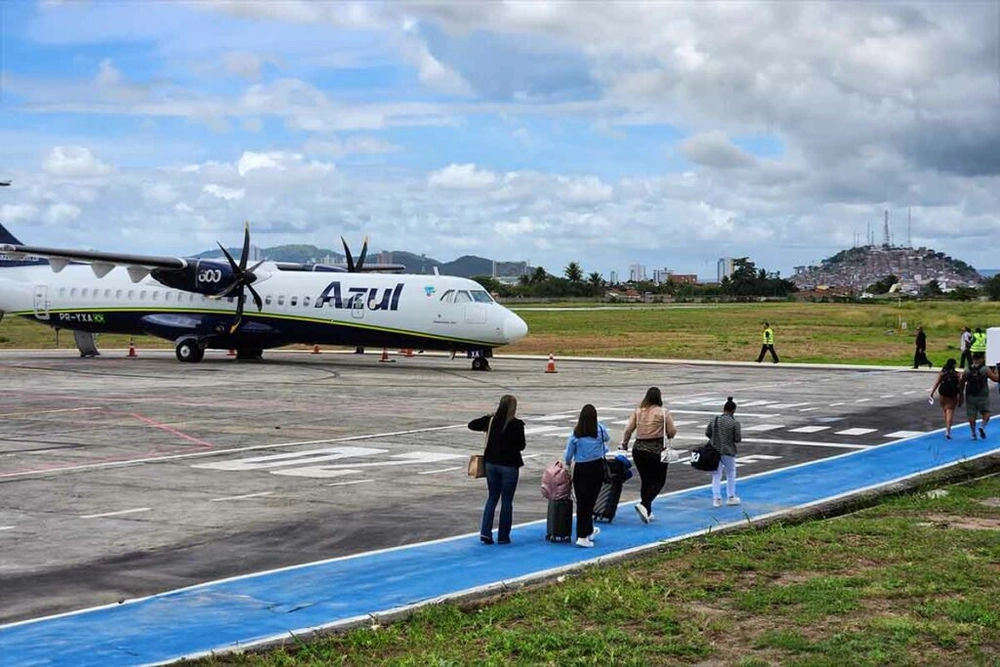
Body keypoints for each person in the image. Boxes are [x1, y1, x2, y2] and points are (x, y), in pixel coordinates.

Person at [468, 394, 526, 545]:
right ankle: (503, 536)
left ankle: (485, 532)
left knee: (492, 497)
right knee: (507, 501)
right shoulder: (517, 424)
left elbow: (471, 425)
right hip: (509, 466)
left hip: (491, 464)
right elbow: (521, 446)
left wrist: (488, 417)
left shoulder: (491, 421)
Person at [620, 386, 677, 524]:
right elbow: (672, 431)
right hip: (656, 450)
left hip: (638, 449)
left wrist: (624, 444)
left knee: (646, 480)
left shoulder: (638, 411)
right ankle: (644, 504)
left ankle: (648, 511)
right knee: (659, 480)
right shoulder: (664, 413)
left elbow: (628, 430)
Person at [563, 404, 610, 548]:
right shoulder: (600, 429)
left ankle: (586, 531)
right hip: (596, 468)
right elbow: (607, 439)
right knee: (590, 502)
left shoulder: (576, 433)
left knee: (582, 502)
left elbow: (568, 454)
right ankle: (583, 535)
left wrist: (567, 463)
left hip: (581, 469)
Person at [705, 397, 742, 507]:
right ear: (733, 410)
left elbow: (707, 433)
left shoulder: (714, 420)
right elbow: (737, 439)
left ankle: (716, 499)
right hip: (728, 451)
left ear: (723, 408)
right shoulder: (735, 423)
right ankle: (731, 497)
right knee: (731, 473)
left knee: (716, 475)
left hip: (714, 451)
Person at [960, 352, 1000, 441]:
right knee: (987, 412)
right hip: (983, 395)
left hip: (970, 395)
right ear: (981, 359)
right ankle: (982, 426)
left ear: (973, 359)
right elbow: (996, 379)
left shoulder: (967, 370)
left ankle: (973, 433)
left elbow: (962, 383)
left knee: (971, 415)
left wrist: (961, 396)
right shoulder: (985, 369)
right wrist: (997, 370)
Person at [929, 358, 961, 439]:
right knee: (950, 411)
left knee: (945, 410)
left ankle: (946, 426)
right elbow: (960, 386)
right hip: (953, 395)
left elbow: (937, 383)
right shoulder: (957, 374)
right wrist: (961, 396)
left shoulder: (942, 373)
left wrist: (932, 393)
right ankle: (948, 430)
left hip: (943, 394)